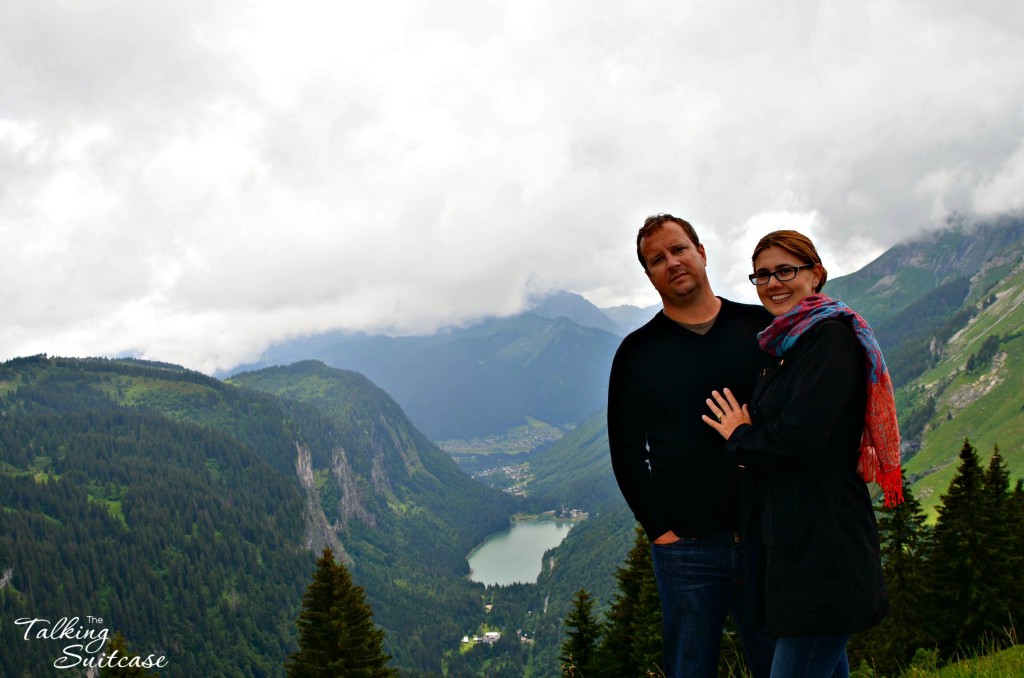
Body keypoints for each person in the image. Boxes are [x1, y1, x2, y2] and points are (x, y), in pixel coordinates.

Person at [703, 230, 902, 678]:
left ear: (815, 275)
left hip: (823, 544)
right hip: (801, 542)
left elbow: (801, 437)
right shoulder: (788, 345)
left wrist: (739, 436)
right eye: (762, 275)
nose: (773, 283)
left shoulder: (829, 339)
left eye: (786, 270)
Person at [608, 214, 776, 678]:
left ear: (702, 253)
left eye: (678, 249)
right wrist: (661, 531)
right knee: (689, 667)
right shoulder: (637, 352)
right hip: (686, 548)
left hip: (767, 534)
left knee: (778, 663)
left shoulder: (760, 328)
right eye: (656, 259)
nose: (672, 262)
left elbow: (795, 419)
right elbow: (625, 452)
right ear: (648, 276)